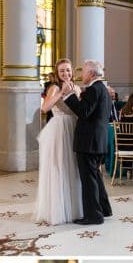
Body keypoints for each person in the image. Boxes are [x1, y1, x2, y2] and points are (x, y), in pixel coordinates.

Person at [61, 59, 113, 226]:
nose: (80, 74)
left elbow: (83, 112)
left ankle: (94, 216)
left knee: (89, 180)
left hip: (89, 142)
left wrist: (69, 96)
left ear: (91, 74)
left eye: (83, 71)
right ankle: (104, 209)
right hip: (97, 141)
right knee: (95, 176)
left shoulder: (93, 89)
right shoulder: (102, 89)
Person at [34, 58, 83, 226]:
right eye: (62, 71)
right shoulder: (54, 87)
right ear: (57, 73)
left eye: (68, 70)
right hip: (59, 129)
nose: (66, 73)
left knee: (73, 168)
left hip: (74, 128)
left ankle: (74, 209)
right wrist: (62, 93)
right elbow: (45, 108)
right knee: (59, 167)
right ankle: (58, 211)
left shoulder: (76, 87)